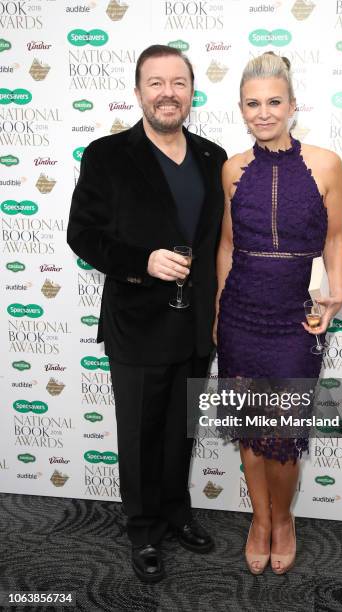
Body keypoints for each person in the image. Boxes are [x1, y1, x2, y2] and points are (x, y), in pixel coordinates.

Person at [67, 44, 227, 583]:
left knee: (180, 430)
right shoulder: (107, 154)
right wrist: (142, 262)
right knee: (139, 433)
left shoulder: (212, 156)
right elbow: (82, 235)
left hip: (194, 323)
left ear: (191, 92)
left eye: (178, 83)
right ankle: (142, 530)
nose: (167, 93)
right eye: (155, 83)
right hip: (136, 325)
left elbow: (218, 243)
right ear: (138, 92)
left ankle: (177, 514)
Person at [215, 52, 342, 575]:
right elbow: (226, 246)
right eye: (253, 104)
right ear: (241, 110)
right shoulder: (231, 168)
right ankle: (260, 520)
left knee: (284, 432)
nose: (263, 112)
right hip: (241, 312)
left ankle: (284, 520)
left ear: (293, 105)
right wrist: (217, 315)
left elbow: (334, 238)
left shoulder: (325, 163)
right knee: (250, 426)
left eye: (274, 102)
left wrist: (334, 295)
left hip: (296, 316)